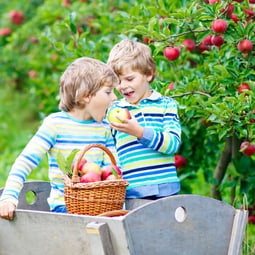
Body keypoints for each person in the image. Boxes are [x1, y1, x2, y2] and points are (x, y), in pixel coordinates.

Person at [0, 57, 119, 219]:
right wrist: (9, 197)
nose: (114, 98)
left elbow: (112, 172)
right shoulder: (55, 125)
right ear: (86, 95)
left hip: (101, 208)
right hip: (65, 209)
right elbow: (25, 161)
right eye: (108, 92)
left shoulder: (105, 127)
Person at [106, 39, 182, 200]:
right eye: (118, 81)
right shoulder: (114, 110)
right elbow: (109, 150)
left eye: (129, 79)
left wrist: (140, 132)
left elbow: (173, 144)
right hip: (132, 193)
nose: (123, 86)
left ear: (148, 74)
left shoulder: (166, 105)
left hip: (166, 190)